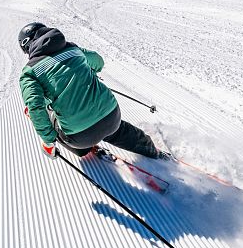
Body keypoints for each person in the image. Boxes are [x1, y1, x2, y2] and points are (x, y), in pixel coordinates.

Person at [18, 22, 168, 160]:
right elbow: (98, 61)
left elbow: (35, 107)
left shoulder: (29, 73)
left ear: (26, 46)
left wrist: (48, 142)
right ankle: (152, 150)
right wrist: (87, 71)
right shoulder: (72, 49)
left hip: (79, 137)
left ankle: (83, 150)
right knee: (117, 130)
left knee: (46, 115)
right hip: (112, 116)